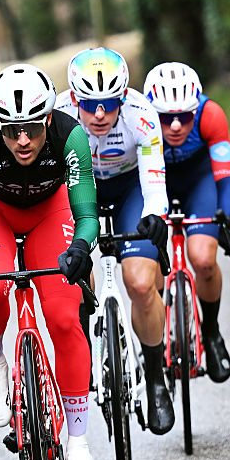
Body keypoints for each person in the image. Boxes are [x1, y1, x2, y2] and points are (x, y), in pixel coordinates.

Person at [0, 63, 102, 460]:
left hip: (51, 213)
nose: (22, 140)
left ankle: (78, 444)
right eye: (11, 130)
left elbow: (86, 215)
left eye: (32, 129)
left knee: (65, 318)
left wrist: (80, 248)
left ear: (48, 118)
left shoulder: (70, 136)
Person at [53, 47, 173, 435]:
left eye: (109, 103)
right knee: (74, 275)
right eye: (90, 104)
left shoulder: (141, 114)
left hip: (129, 190)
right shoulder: (57, 115)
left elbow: (154, 180)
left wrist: (155, 215)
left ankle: (155, 378)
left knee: (140, 283)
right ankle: (84, 350)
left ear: (123, 96)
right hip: (79, 188)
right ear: (75, 99)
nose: (100, 114)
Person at [142, 62, 230, 386]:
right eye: (165, 118)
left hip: (198, 181)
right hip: (155, 182)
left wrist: (228, 222)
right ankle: (155, 345)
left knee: (203, 259)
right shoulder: (138, 116)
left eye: (185, 117)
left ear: (196, 109)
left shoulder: (211, 114)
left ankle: (211, 332)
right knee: (149, 270)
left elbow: (225, 177)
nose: (175, 126)